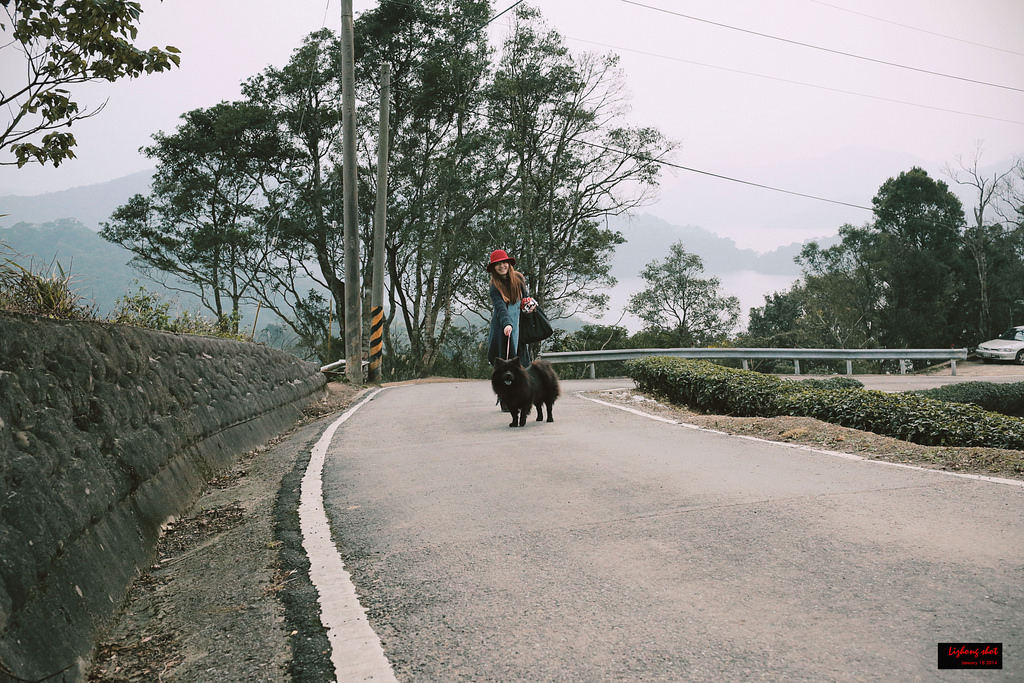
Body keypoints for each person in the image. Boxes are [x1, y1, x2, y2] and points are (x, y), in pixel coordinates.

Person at [486, 249, 533, 369]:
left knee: (522, 361)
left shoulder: (519, 279)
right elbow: (501, 308)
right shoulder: (494, 286)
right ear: (494, 268)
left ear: (509, 263)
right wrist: (507, 324)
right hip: (503, 326)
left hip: (518, 324)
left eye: (504, 262)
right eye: (497, 264)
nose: (502, 266)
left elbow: (525, 298)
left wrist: (529, 306)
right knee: (506, 360)